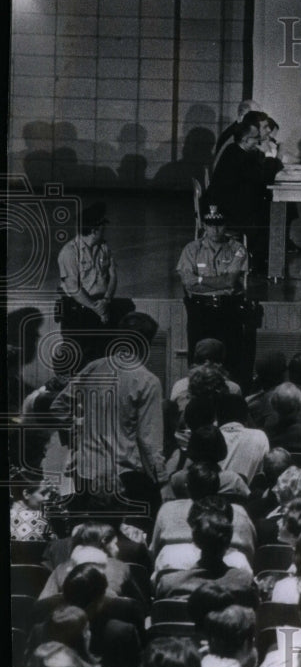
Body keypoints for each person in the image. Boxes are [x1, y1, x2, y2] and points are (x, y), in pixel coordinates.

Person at [50, 312, 167, 514]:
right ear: (146, 343)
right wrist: (162, 480)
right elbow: (149, 439)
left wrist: (78, 433)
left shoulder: (93, 368)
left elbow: (59, 406)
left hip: (87, 471)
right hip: (124, 476)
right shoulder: (148, 381)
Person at [176, 204, 257, 391]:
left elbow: (229, 281)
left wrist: (200, 279)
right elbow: (187, 282)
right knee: (197, 358)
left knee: (230, 359)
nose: (215, 229)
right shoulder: (191, 249)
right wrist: (214, 281)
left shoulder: (237, 249)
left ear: (226, 225)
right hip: (199, 309)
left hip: (227, 309)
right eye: (210, 225)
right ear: (204, 225)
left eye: (219, 225)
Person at [56, 202, 133, 364]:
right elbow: (74, 289)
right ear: (94, 230)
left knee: (103, 357)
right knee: (79, 360)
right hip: (79, 312)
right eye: (103, 226)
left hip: (102, 308)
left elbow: (112, 276)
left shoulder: (104, 247)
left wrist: (105, 301)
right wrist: (98, 309)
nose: (105, 230)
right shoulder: (69, 252)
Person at [207, 111, 282, 269]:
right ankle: (259, 263)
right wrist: (270, 155)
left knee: (269, 209)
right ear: (246, 139)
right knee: (272, 213)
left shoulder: (237, 151)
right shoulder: (241, 157)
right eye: (256, 139)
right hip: (228, 211)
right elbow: (262, 180)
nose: (259, 141)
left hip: (228, 204)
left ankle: (261, 259)